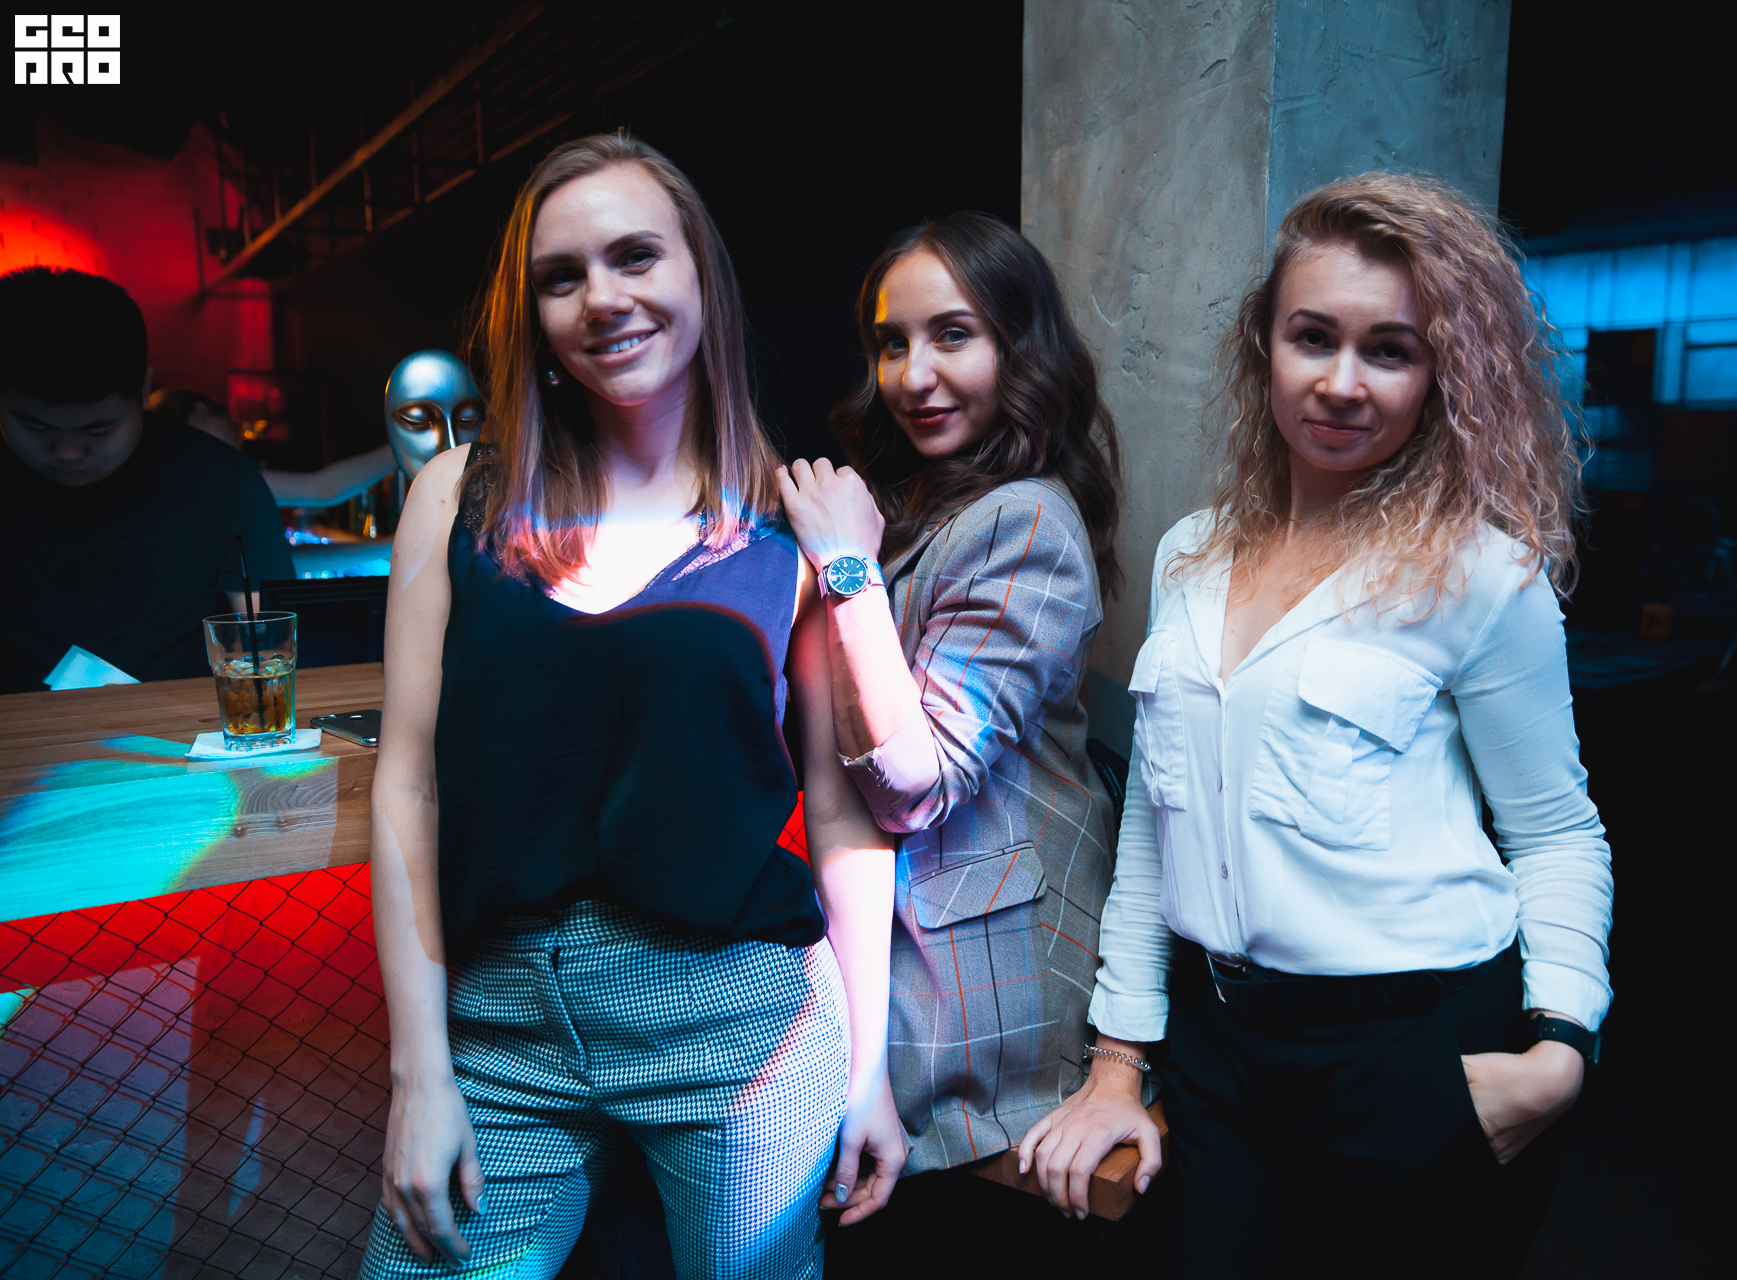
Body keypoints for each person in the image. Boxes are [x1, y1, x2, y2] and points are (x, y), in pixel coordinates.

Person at [1019, 172, 1614, 1275]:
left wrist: (1562, 1045)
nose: (1342, 383)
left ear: (1440, 373)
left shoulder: (1484, 575)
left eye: (1390, 350)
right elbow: (1155, 824)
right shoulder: (1192, 554)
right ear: (1267, 348)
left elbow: (1556, 833)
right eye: (1313, 338)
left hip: (1414, 1049)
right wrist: (1118, 1058)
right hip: (1219, 1050)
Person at [361, 132, 904, 1280]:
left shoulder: (786, 526)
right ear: (533, 316)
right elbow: (407, 782)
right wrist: (420, 1069)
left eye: (635, 256)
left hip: (737, 1026)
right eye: (562, 276)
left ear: (702, 274)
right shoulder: (457, 497)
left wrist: (868, 1068)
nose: (602, 296)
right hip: (500, 1025)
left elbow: (841, 808)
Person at [776, 212, 1123, 1256]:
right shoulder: (921, 507)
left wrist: (843, 568)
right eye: (893, 343)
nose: (914, 374)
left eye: (953, 335)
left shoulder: (1025, 520)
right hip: (906, 983)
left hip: (984, 1009)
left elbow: (914, 781)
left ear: (1021, 348)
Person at [0, 267, 293, 693]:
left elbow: (269, 642)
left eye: (97, 430)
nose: (68, 452)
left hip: (185, 729)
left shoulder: (219, 479)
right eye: (36, 427)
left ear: (144, 390)